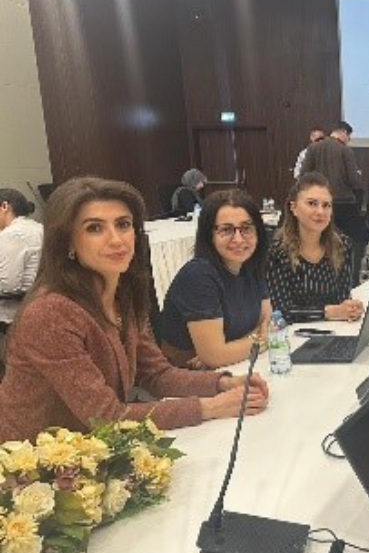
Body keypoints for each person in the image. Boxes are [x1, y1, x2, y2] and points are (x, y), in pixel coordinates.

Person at [0, 177, 268, 440]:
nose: (117, 240)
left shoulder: (120, 296)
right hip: (32, 458)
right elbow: (107, 417)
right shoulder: (51, 313)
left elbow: (157, 375)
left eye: (123, 224)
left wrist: (223, 383)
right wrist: (211, 407)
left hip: (88, 448)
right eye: (95, 228)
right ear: (67, 240)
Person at [158, 189, 271, 369]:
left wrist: (233, 349)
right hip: (188, 377)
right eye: (226, 230)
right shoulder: (198, 276)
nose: (238, 239)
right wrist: (262, 340)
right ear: (209, 235)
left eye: (246, 228)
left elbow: (267, 321)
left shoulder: (251, 266)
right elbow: (215, 356)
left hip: (237, 366)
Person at [267, 172, 364, 323]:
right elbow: (280, 310)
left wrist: (350, 309)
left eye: (326, 205)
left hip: (334, 329)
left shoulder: (342, 245)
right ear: (293, 207)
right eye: (312, 203)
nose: (320, 212)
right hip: (291, 333)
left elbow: (342, 298)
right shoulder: (277, 251)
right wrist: (328, 312)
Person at [301, 121, 367, 286]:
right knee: (356, 240)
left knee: (323, 242)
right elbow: (354, 181)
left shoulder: (313, 148)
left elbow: (303, 176)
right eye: (348, 136)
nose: (348, 140)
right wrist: (358, 177)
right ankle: (351, 280)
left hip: (320, 205)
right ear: (343, 132)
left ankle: (322, 280)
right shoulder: (345, 150)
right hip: (344, 203)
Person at [0, 189, 44, 327]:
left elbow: (8, 284)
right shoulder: (39, 228)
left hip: (11, 316)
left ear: (4, 206)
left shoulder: (12, 234)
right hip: (38, 307)